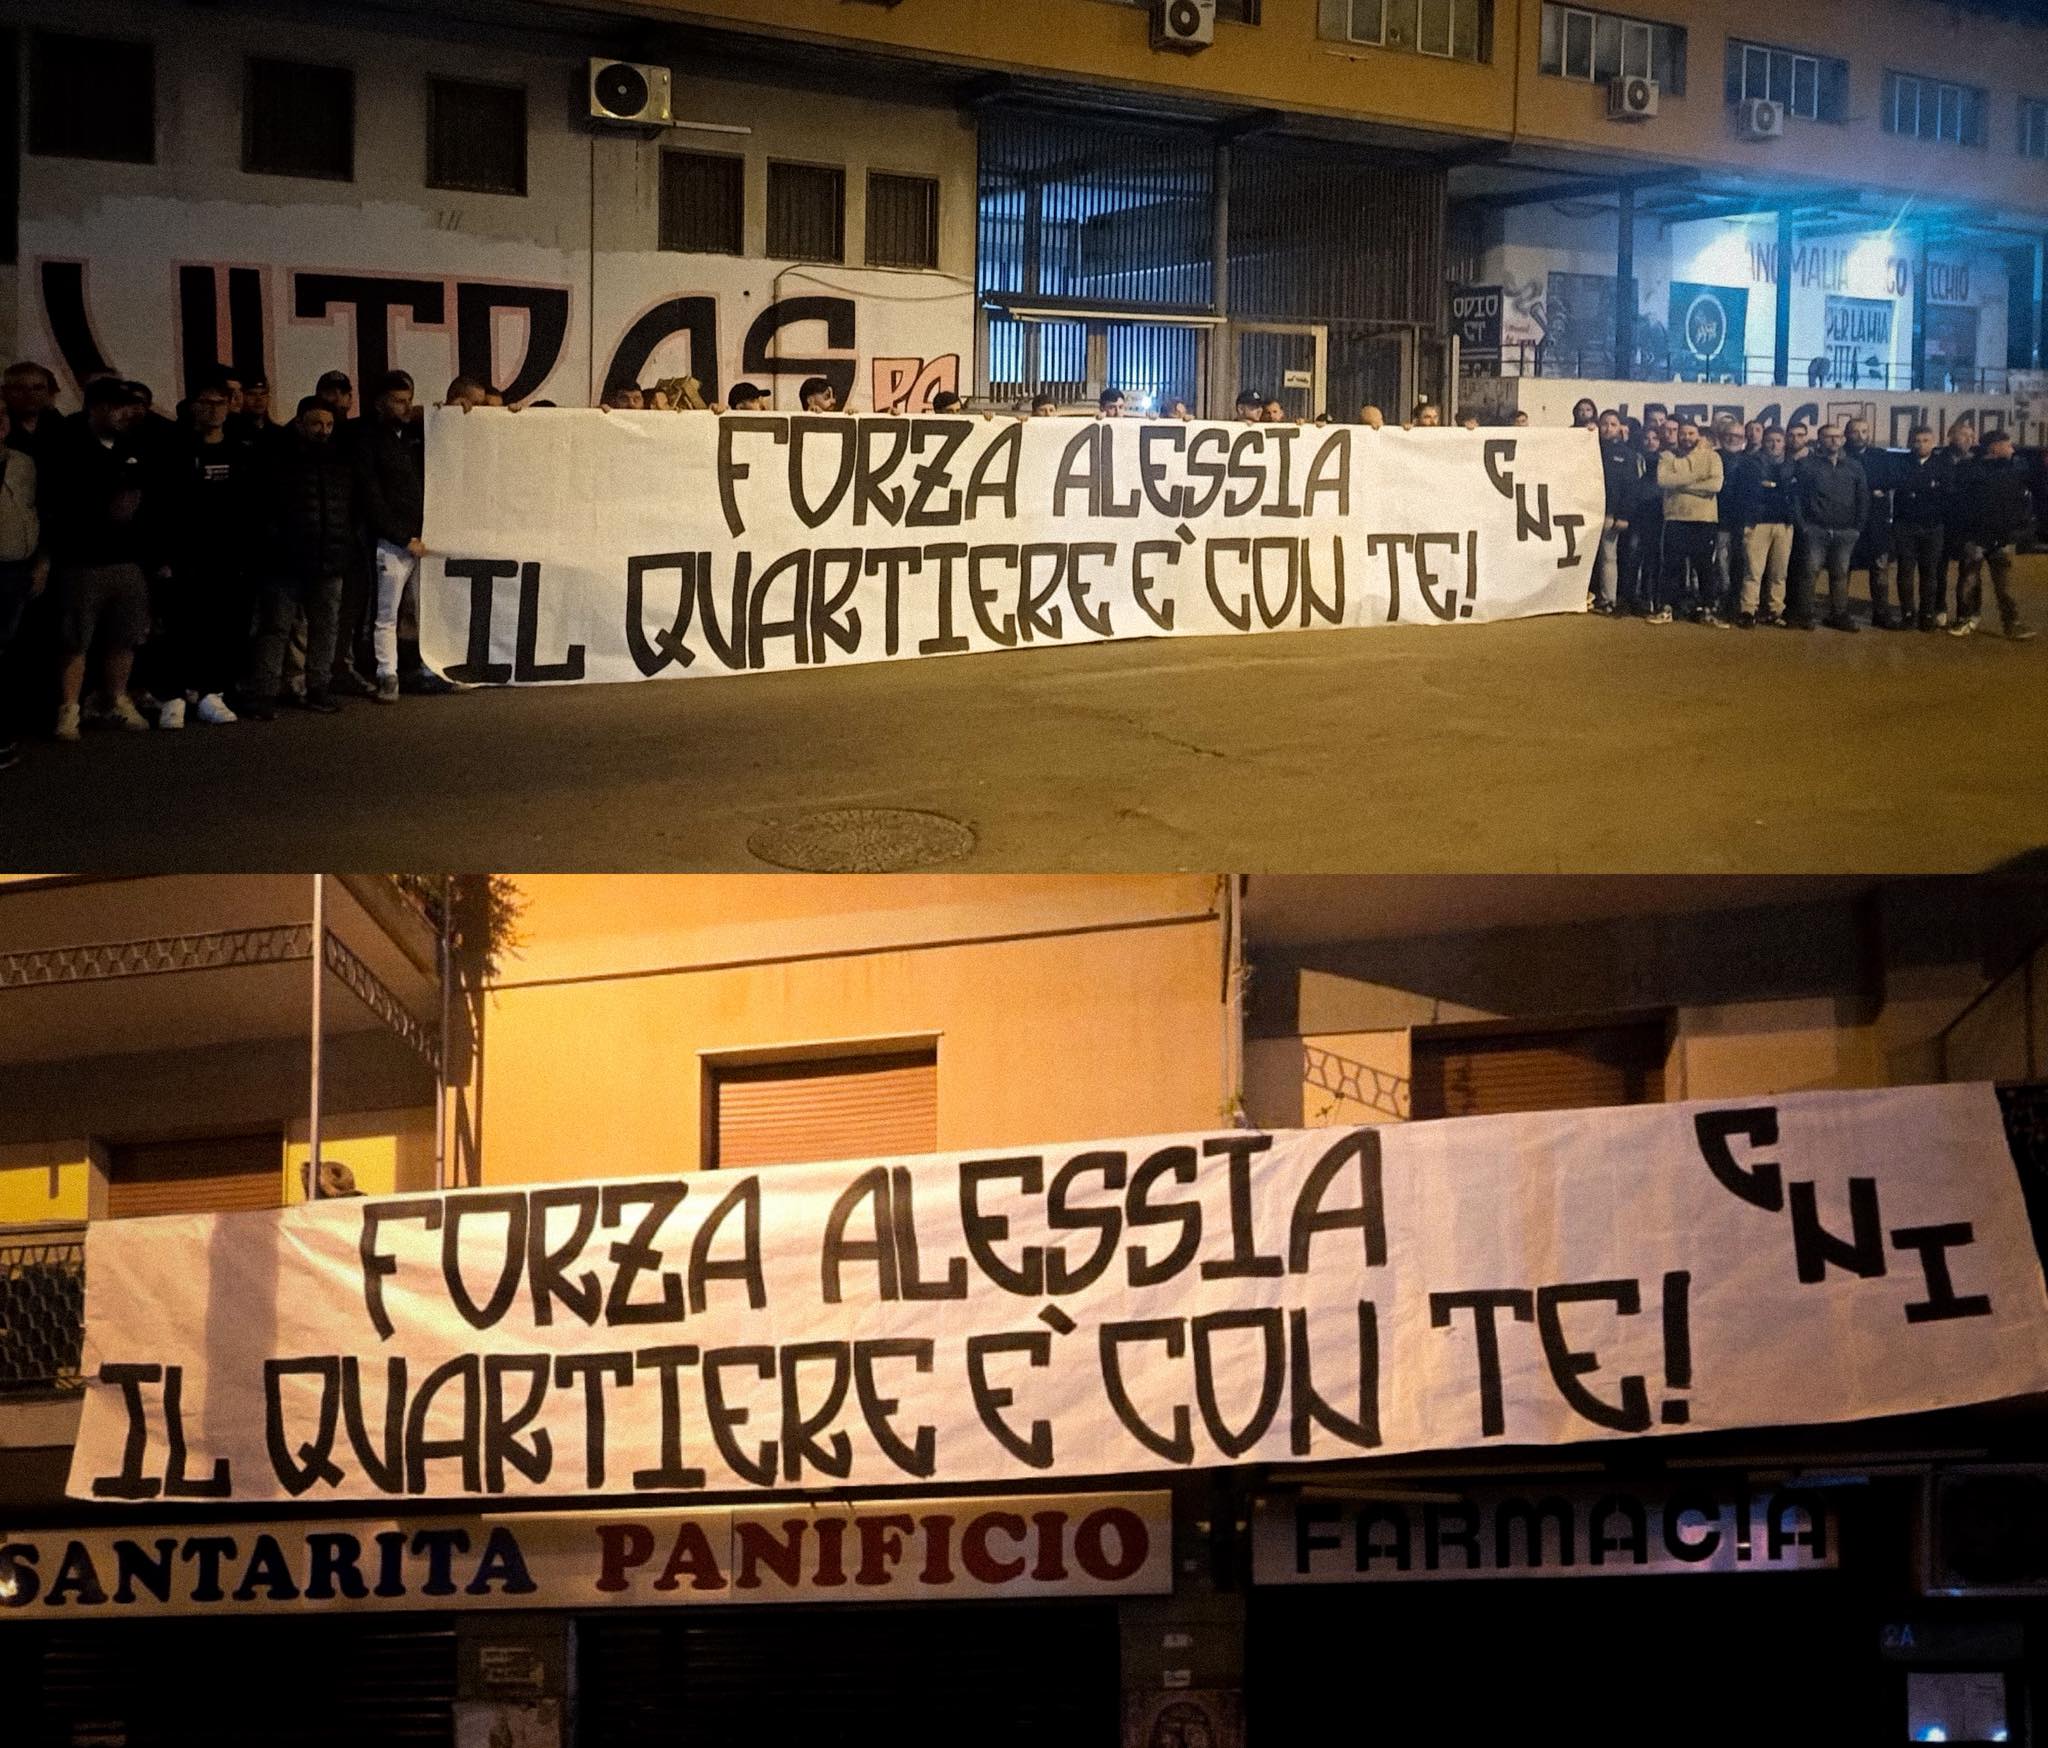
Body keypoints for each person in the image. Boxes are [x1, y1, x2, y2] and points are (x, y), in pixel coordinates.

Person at [46, 378, 155, 738]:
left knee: (125, 635)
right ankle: (69, 708)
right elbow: (59, 503)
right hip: (82, 560)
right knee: (75, 638)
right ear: (97, 407)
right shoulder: (66, 443)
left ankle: (116, 699)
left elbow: (143, 496)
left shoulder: (132, 444)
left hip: (126, 559)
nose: (127, 413)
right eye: (118, 407)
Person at [246, 396, 360, 718]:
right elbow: (263, 509)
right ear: (299, 424)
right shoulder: (277, 459)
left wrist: (344, 544)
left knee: (325, 629)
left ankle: (318, 688)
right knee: (276, 628)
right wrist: (275, 542)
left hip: (330, 559)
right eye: (316, 424)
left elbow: (349, 508)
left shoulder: (342, 460)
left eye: (328, 425)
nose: (323, 431)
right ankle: (264, 694)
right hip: (285, 561)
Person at [150, 369, 252, 729]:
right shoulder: (173, 450)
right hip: (183, 556)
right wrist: (162, 557)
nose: (212, 410)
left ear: (229, 407)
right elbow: (160, 506)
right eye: (205, 403)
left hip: (226, 557)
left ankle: (211, 693)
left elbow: (251, 506)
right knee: (179, 627)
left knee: (219, 626)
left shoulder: (241, 450)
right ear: (192, 406)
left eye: (219, 403)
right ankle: (174, 696)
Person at [356, 368, 452, 703]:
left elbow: (448, 433)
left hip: (422, 538)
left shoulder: (414, 434)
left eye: (408, 400)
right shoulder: (368, 440)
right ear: (380, 403)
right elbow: (371, 498)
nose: (405, 407)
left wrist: (449, 412)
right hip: (393, 542)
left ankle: (429, 667)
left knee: (426, 610)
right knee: (387, 614)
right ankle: (387, 674)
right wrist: (400, 537)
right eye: (398, 401)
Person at [1949, 429, 2037, 641]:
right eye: (2007, 444)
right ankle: (1968, 618)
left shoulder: (2012, 469)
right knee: (1970, 581)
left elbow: (2021, 502)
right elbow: (1961, 505)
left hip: (2002, 537)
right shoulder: (1971, 470)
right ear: (1995, 447)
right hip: (1977, 536)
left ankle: (2011, 622)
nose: (2012, 448)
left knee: (2003, 585)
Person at [0, 405, 47, 770]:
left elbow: (36, 511)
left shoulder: (23, 463)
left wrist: (42, 561)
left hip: (16, 568)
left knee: (7, 652)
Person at [1789, 423, 1869, 633]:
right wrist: (1803, 526)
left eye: (1837, 437)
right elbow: (1797, 498)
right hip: (1815, 530)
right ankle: (1805, 614)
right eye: (1828, 437)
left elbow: (1862, 497)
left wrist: (1857, 528)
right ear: (1820, 440)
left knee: (1840, 574)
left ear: (1843, 440)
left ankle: (1839, 614)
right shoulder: (1807, 465)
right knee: (1810, 572)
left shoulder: (1854, 466)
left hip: (1845, 531)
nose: (1834, 440)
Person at [1653, 418, 1723, 625]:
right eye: (1683, 433)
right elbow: (1663, 480)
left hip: (1704, 520)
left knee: (1704, 568)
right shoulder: (1666, 456)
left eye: (1691, 433)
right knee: (1671, 567)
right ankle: (1667, 608)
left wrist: (1681, 484)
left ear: (1698, 435)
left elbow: (1715, 485)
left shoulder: (1713, 457)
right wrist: (1697, 478)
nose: (1686, 437)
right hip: (1676, 519)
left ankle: (1707, 609)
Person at [1730, 427, 1795, 628]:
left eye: (1778, 440)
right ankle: (1748, 610)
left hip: (1784, 524)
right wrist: (1775, 489)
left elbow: (1794, 492)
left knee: (1779, 573)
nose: (1774, 445)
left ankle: (1776, 610)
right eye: (1770, 441)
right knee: (1753, 571)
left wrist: (1772, 487)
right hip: (1757, 522)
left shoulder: (1792, 465)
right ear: (1763, 442)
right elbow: (1748, 491)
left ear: (1784, 443)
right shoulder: (1750, 464)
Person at [1891, 425, 1951, 632]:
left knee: (1930, 573)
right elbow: (1901, 487)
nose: (1921, 444)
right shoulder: (1901, 463)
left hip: (1933, 527)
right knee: (1905, 571)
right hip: (1905, 526)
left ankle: (1927, 614)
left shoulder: (1943, 465)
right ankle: (1908, 613)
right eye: (1917, 440)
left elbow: (1946, 495)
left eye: (1926, 440)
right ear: (1911, 442)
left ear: (1933, 442)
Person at [1843, 417, 1902, 628]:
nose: (1860, 436)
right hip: (1847, 522)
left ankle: (1881, 613)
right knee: (1843, 568)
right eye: (1855, 431)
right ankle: (1840, 611)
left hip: (1876, 523)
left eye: (1864, 431)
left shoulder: (1881, 456)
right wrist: (1872, 491)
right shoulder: (1840, 457)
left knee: (1880, 569)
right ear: (1846, 434)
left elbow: (1892, 480)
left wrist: (1872, 490)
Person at [1591, 410, 1640, 617]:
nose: (1608, 428)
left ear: (1620, 427)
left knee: (1608, 557)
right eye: (1604, 424)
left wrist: (1623, 515)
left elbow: (1630, 487)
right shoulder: (1588, 448)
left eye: (1613, 424)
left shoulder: (1627, 454)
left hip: (1609, 514)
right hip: (1585, 511)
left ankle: (1608, 599)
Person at [1710, 422, 1750, 619]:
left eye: (1737, 435)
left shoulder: (1750, 461)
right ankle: (1721, 602)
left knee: (1740, 565)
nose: (1733, 438)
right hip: (1718, 521)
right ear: (1722, 436)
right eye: (1729, 434)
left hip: (1742, 523)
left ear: (1744, 439)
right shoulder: (1712, 457)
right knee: (1720, 565)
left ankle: (1734, 604)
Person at [2, 363, 67, 467]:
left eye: (38, 388)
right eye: (19, 388)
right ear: (6, 391)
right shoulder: (3, 424)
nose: (30, 394)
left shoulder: (54, 420)